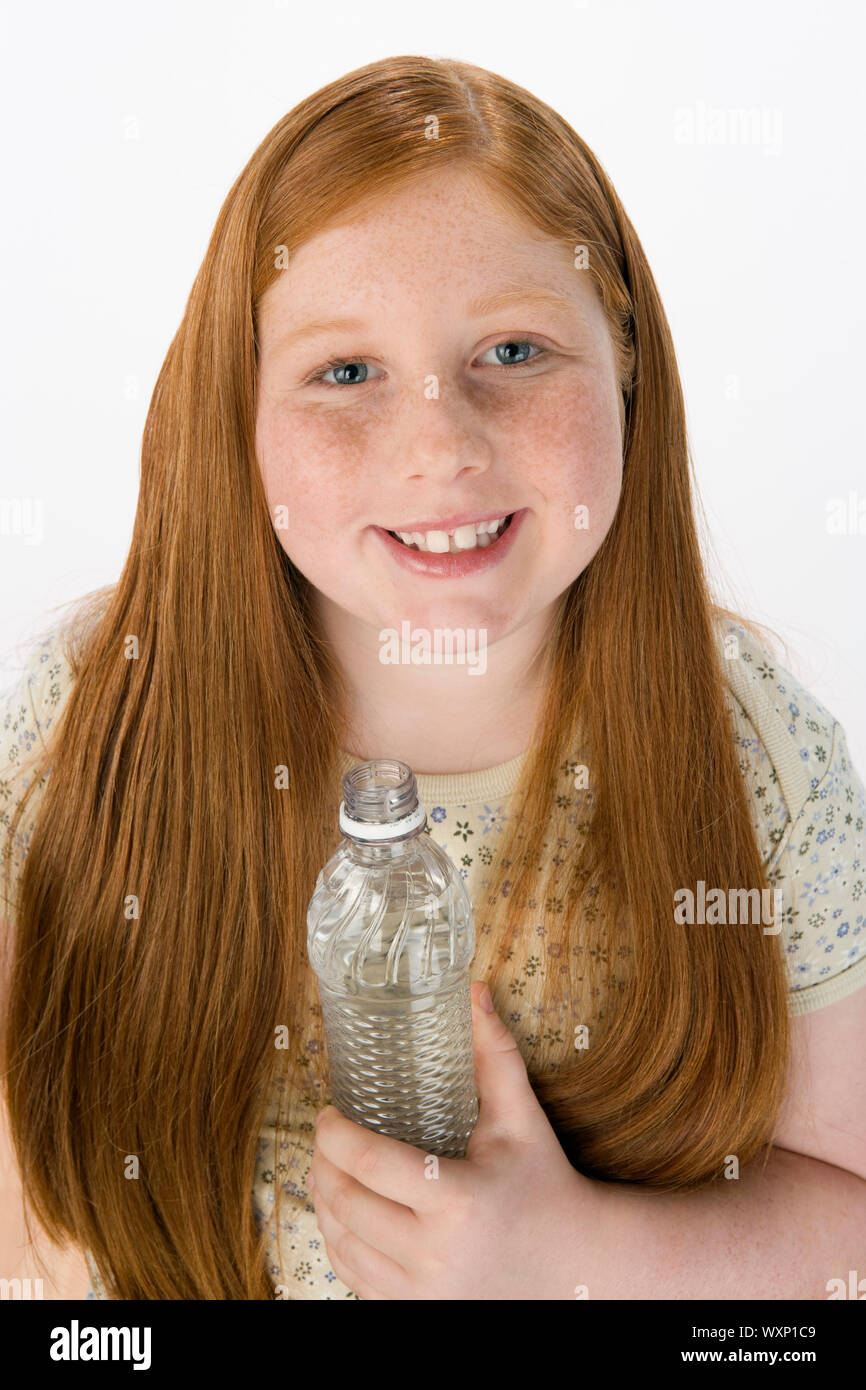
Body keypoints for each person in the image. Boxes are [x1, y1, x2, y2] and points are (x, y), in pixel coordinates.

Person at [1, 54, 864, 1302]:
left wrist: (572, 1253)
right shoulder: (92, 722)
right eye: (344, 372)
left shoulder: (753, 760)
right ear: (233, 414)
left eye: (512, 349)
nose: (438, 446)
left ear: (623, 361)